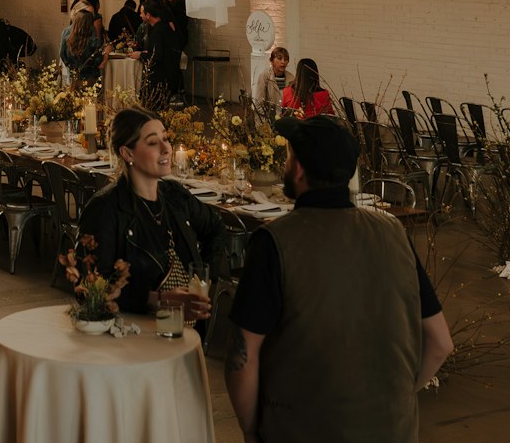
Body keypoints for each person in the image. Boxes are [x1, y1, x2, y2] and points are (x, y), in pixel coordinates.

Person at [225, 115, 453, 443]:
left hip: (303, 429)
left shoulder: (275, 241)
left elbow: (242, 357)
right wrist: (391, 399)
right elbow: (440, 343)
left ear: (299, 169)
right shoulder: (393, 232)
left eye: (289, 157)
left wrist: (250, 430)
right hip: (393, 429)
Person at [79, 106, 225, 317]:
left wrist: (204, 279)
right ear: (127, 153)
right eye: (153, 142)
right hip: (134, 337)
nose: (166, 148)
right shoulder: (105, 208)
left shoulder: (175, 195)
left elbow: (215, 226)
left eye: (165, 138)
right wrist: (159, 300)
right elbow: (91, 287)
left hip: (185, 333)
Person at [140, 0, 183, 106]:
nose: (140, 15)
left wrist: (140, 55)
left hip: (161, 77)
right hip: (169, 74)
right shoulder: (163, 27)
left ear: (148, 15)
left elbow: (157, 56)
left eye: (141, 12)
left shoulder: (157, 32)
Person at [59, 8, 106, 84]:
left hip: (73, 73)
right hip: (90, 74)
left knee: (74, 94)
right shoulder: (92, 34)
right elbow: (97, 57)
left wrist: (69, 65)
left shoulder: (66, 32)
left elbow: (62, 53)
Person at [161, 0, 190, 101]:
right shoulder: (169, 5)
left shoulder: (179, 5)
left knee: (175, 63)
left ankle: (178, 89)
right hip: (175, 36)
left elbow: (180, 23)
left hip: (178, 36)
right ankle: (178, 89)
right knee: (174, 63)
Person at [252, 45, 294, 111]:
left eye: (285, 59)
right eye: (279, 58)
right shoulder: (265, 76)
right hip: (270, 116)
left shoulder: (291, 78)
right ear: (271, 61)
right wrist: (263, 120)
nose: (283, 62)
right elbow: (258, 104)